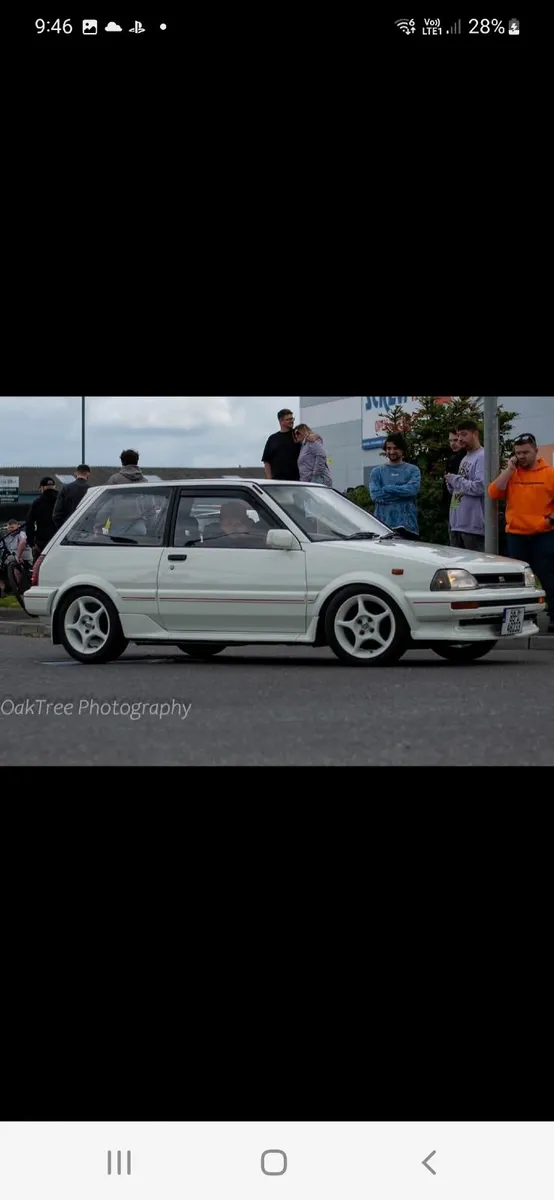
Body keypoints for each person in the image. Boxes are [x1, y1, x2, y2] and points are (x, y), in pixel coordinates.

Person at [488, 432, 554, 633]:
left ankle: (553, 616)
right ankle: (523, 616)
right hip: (516, 534)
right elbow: (493, 492)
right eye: (518, 453)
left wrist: (550, 519)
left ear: (535, 451)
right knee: (518, 580)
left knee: (549, 576)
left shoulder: (549, 474)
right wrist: (508, 470)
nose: (522, 456)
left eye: (526, 452)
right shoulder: (512, 473)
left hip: (544, 534)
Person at [369, 433, 421, 539]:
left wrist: (388, 488)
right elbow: (376, 495)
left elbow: (412, 490)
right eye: (388, 448)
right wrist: (402, 494)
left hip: (408, 528)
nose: (391, 452)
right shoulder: (376, 472)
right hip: (382, 527)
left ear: (402, 450)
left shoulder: (413, 470)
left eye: (395, 448)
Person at [94, 449, 156, 537]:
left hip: (118, 530)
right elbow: (151, 509)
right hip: (140, 530)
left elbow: (105, 506)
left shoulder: (114, 480)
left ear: (122, 462)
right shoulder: (145, 482)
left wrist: (99, 525)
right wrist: (151, 528)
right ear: (137, 462)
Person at [445, 419, 485, 551]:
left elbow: (480, 487)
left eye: (464, 434)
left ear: (475, 434)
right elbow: (462, 487)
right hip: (457, 524)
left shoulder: (482, 456)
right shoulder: (465, 457)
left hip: (472, 526)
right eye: (458, 435)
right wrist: (451, 484)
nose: (460, 439)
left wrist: (455, 480)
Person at [23, 476, 59, 559]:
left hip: (42, 541)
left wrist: (31, 543)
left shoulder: (38, 502)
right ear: (54, 486)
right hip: (59, 540)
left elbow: (29, 523)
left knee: (39, 567)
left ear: (42, 488)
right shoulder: (61, 501)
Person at [262, 409, 302, 481]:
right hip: (278, 482)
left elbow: (310, 437)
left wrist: (314, 436)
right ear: (281, 421)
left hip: (297, 481)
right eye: (288, 419)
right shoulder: (272, 439)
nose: (291, 421)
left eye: (292, 418)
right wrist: (269, 479)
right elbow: (266, 461)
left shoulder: (298, 434)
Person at [0, 519, 33, 596]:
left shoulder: (21, 534)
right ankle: (3, 589)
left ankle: (20, 588)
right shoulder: (7, 537)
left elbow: (23, 542)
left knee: (15, 567)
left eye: (12, 527)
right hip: (11, 558)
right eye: (9, 528)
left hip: (24, 558)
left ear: (18, 526)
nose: (10, 529)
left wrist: (19, 556)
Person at [52, 464, 91, 529]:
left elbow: (56, 515)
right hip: (86, 529)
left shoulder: (65, 489)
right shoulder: (91, 490)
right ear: (88, 474)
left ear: (76, 474)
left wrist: (63, 528)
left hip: (68, 529)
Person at [442, 431, 465, 511]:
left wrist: (455, 506)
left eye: (455, 440)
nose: (452, 444)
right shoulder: (452, 458)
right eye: (450, 441)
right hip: (453, 500)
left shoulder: (467, 458)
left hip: (462, 502)